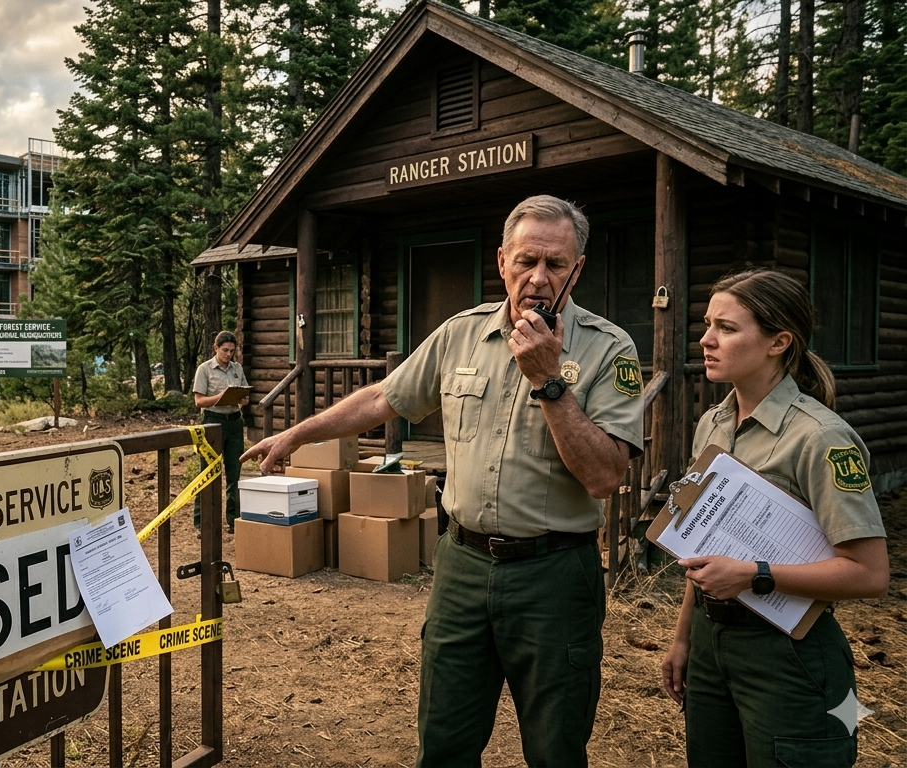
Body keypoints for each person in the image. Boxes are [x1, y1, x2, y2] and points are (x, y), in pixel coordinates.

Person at [242, 195, 643, 767]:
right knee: (445, 742)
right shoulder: (462, 334)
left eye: (556, 265)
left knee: (556, 748)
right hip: (462, 565)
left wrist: (550, 382)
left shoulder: (609, 348)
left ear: (577, 270)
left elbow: (605, 476)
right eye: (527, 260)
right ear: (502, 260)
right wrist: (297, 434)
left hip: (555, 575)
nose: (538, 277)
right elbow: (385, 396)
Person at [660, 269, 888, 767]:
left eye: (727, 327)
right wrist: (683, 639)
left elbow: (870, 574)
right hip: (710, 642)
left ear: (778, 342)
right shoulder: (713, 424)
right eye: (707, 324)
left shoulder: (820, 438)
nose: (706, 339)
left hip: (790, 654)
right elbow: (699, 546)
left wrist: (755, 575)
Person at [192, 331, 249, 533]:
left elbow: (243, 393)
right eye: (225, 350)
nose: (228, 355)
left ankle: (233, 519)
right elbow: (199, 401)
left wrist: (242, 399)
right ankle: (202, 521)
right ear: (215, 348)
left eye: (232, 351)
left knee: (234, 471)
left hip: (234, 421)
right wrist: (221, 397)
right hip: (212, 421)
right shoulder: (204, 369)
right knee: (207, 472)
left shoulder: (237, 368)